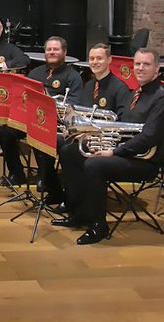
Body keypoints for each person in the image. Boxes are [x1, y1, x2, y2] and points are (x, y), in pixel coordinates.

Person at [53, 48, 164, 245]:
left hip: (144, 161)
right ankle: (79, 213)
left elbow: (148, 137)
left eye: (146, 64)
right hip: (124, 152)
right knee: (70, 152)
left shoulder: (163, 98)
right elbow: (120, 124)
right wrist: (94, 139)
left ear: (157, 68)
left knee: (95, 166)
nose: (141, 68)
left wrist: (112, 151)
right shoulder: (137, 91)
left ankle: (98, 225)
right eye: (137, 64)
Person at [51, 42, 134, 208]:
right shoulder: (89, 85)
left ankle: (79, 203)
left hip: (106, 143)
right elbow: (81, 116)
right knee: (59, 144)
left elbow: (122, 122)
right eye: (92, 58)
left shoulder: (120, 88)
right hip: (86, 138)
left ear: (109, 60)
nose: (95, 62)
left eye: (99, 58)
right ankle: (70, 199)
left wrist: (94, 135)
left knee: (69, 152)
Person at [0, 36, 82, 194]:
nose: (52, 52)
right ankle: (17, 173)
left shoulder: (73, 76)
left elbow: (74, 106)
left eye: (56, 49)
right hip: (30, 118)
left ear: (64, 52)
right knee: (6, 132)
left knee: (41, 135)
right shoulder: (35, 72)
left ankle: (46, 178)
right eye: (49, 49)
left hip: (55, 124)